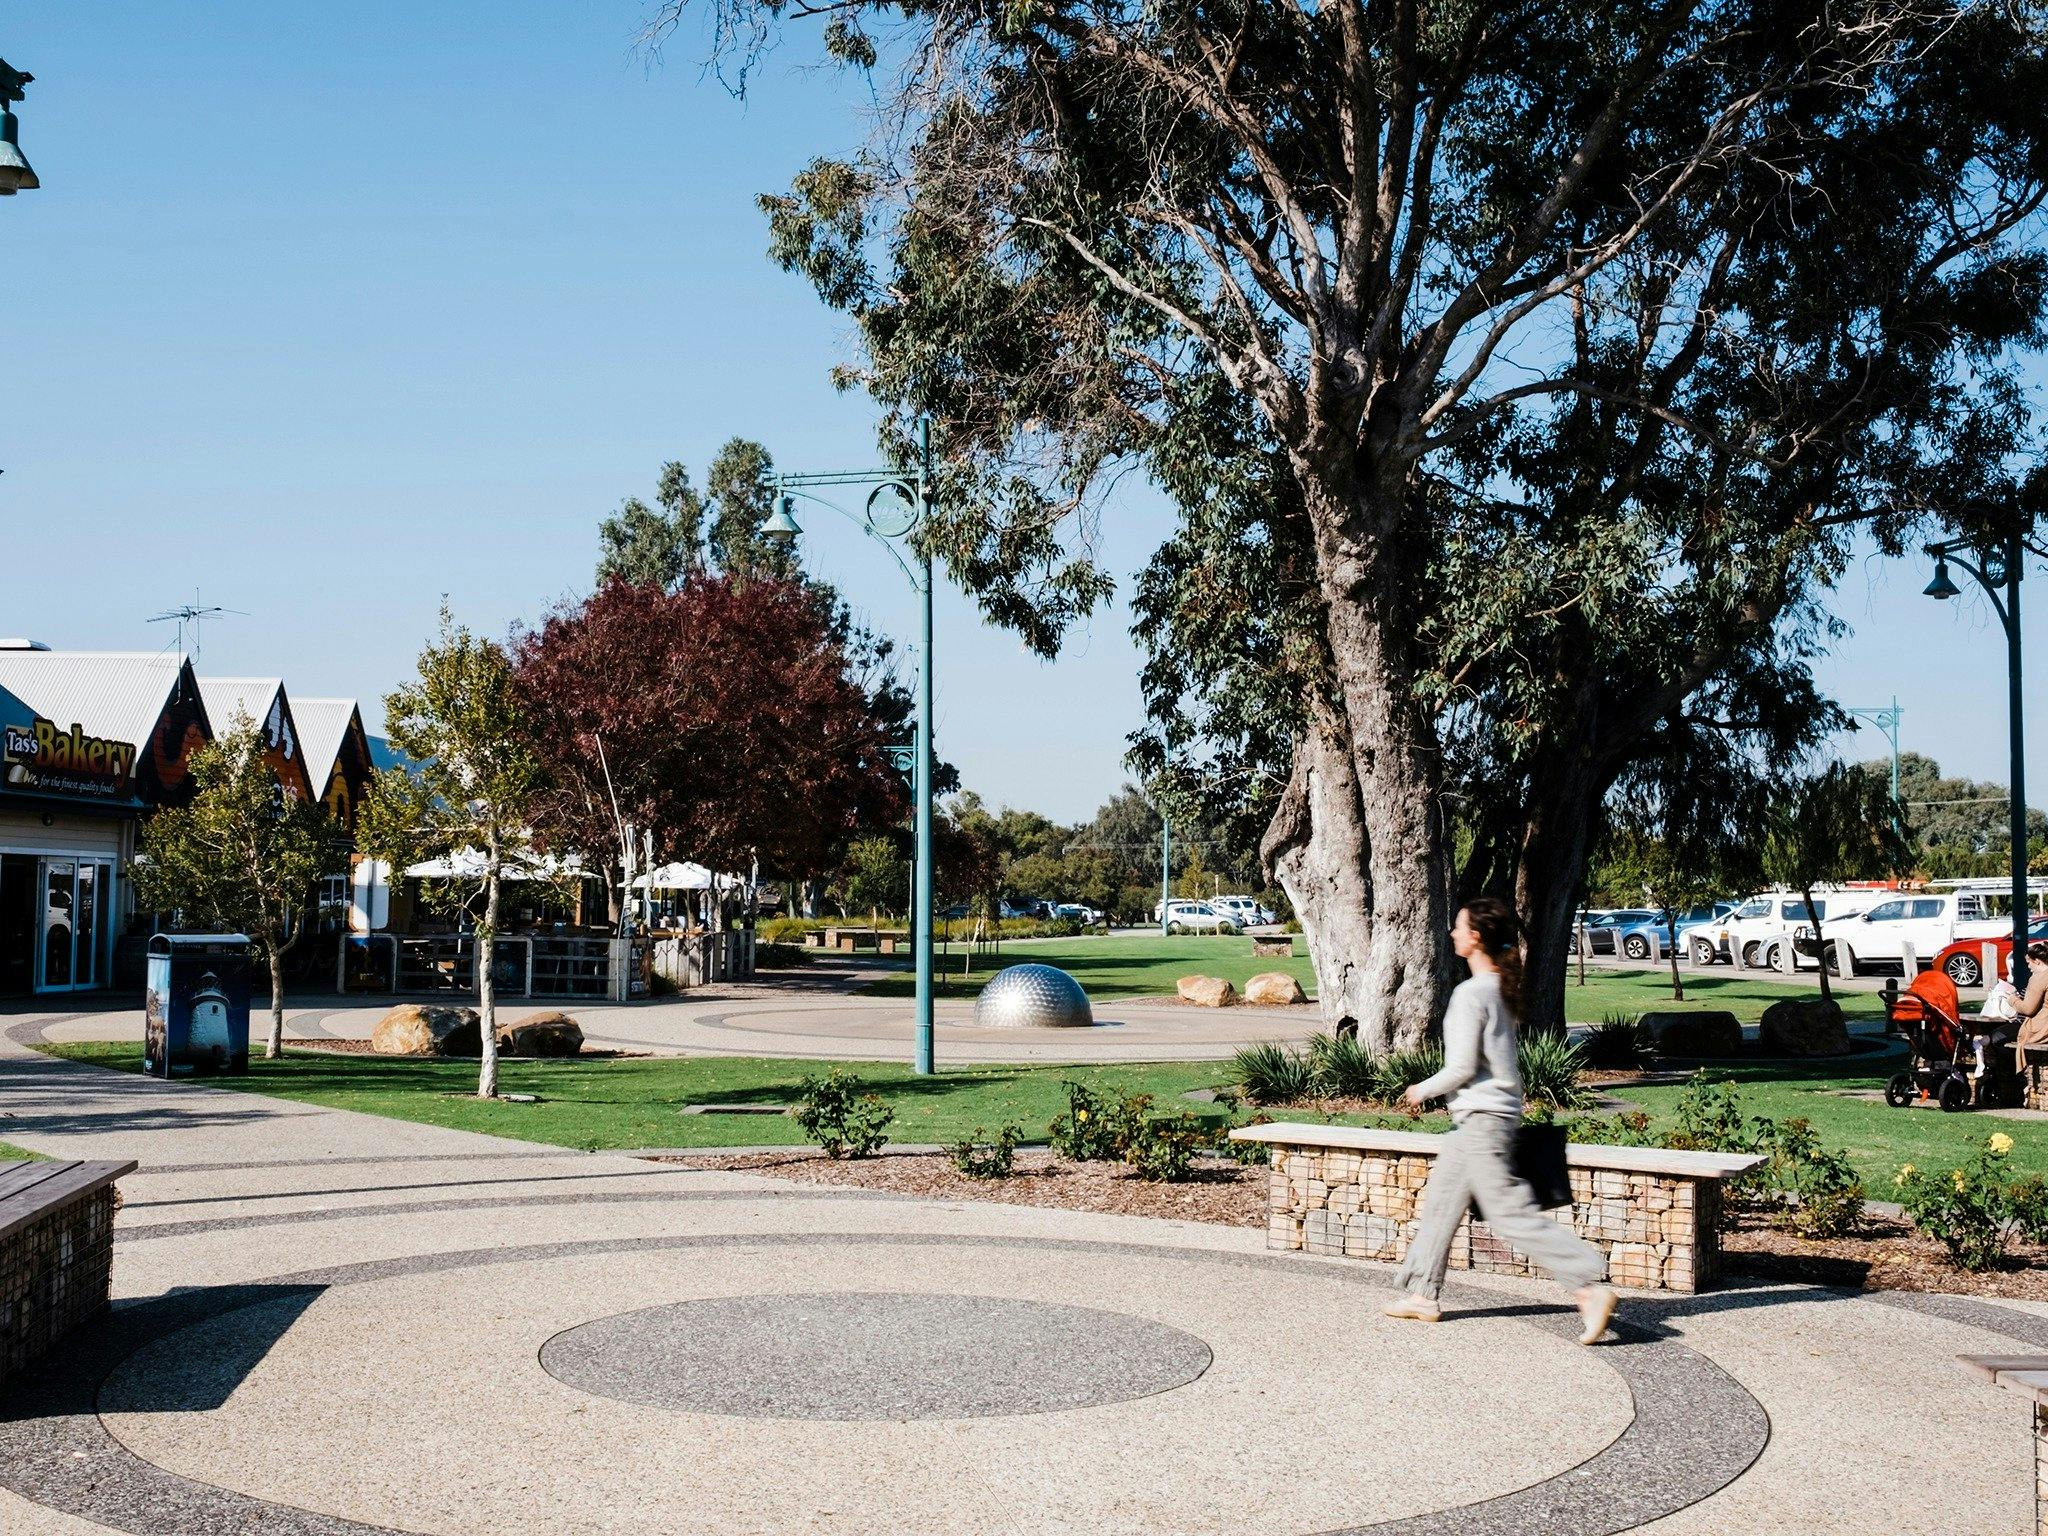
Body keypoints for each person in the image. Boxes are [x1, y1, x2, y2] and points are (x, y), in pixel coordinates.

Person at [1382, 897, 1618, 1345]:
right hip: (1484, 1119)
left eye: (1458, 927)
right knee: (1441, 1204)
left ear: (1475, 937)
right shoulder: (1498, 988)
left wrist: (1420, 1090)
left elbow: (1461, 1068)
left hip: (1482, 1119)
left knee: (1508, 1212)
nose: (1452, 933)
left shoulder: (1472, 993)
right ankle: (1421, 1294)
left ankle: (1587, 1285)